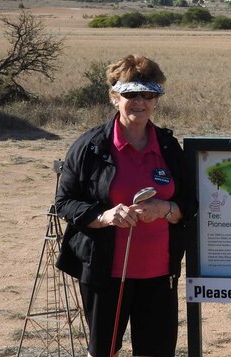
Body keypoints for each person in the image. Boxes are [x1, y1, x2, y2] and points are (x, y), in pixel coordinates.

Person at [55, 54, 197, 357]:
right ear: (113, 96)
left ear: (156, 100)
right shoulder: (89, 147)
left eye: (149, 94)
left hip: (160, 274)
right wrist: (104, 216)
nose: (140, 102)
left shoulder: (169, 148)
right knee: (104, 352)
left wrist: (166, 209)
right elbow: (64, 202)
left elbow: (189, 202)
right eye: (131, 94)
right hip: (105, 275)